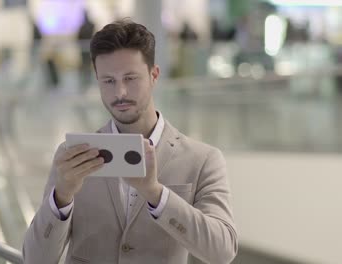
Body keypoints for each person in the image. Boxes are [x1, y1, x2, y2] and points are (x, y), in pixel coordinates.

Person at [23, 19, 237, 264]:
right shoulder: (73, 157)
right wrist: (60, 197)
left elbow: (223, 252)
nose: (120, 92)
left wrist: (155, 194)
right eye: (109, 81)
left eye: (130, 78)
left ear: (154, 75)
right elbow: (35, 260)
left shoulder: (202, 160)